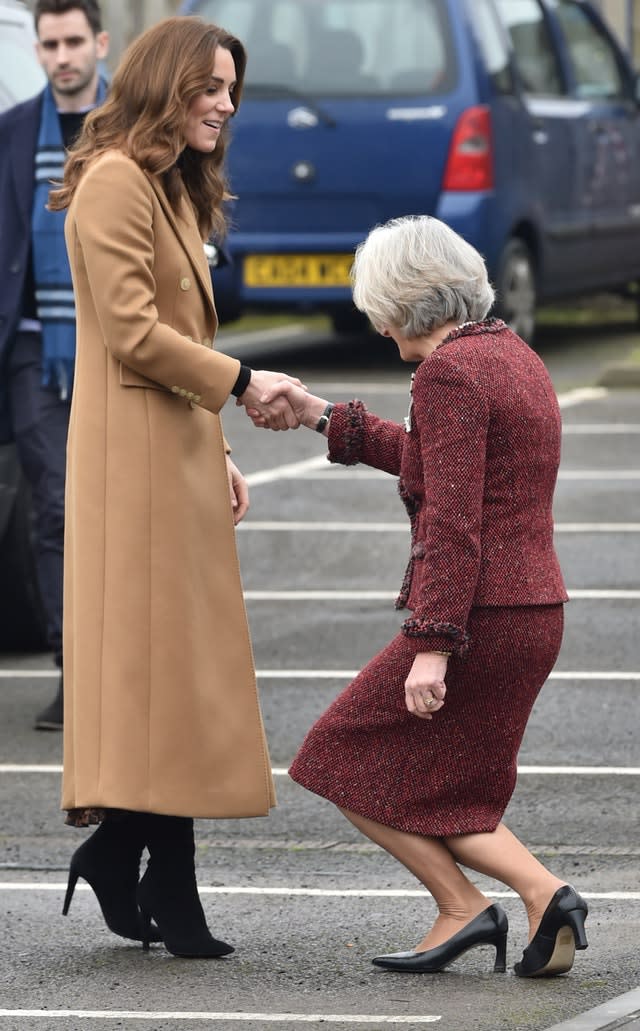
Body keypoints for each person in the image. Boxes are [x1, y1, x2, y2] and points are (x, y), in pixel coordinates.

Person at [251, 215, 589, 978]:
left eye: (374, 306)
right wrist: (319, 415)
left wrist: (431, 644)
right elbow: (435, 460)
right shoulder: (512, 356)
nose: (372, 321)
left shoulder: (449, 374)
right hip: (534, 608)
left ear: (401, 301)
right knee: (449, 787)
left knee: (337, 757)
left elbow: (452, 521)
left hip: (480, 617)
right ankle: (533, 901)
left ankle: (488, 901)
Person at [48, 16, 302, 957]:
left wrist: (219, 446)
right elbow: (130, 333)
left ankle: (129, 859)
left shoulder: (174, 186)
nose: (227, 105)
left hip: (174, 448)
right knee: (162, 676)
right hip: (131, 462)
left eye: (232, 90)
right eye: (211, 88)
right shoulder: (115, 180)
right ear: (166, 83)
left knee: (178, 678)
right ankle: (159, 881)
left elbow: (169, 335)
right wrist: (242, 382)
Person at [0, 0, 109, 731]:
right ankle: (77, 670)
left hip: (118, 339)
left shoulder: (136, 129)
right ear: (36, 50)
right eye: (50, 44)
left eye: (74, 41)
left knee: (126, 509)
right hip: (37, 345)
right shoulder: (11, 134)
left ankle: (127, 667)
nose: (63, 55)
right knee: (57, 507)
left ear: (100, 43)